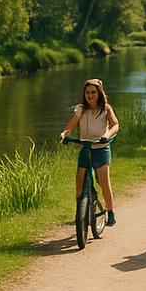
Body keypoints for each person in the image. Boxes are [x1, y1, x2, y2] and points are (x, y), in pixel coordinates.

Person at [58, 78, 120, 225]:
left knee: (104, 183)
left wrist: (107, 135)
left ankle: (110, 212)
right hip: (86, 148)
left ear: (99, 93)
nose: (90, 95)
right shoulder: (80, 109)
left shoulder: (106, 108)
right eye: (87, 92)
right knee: (79, 183)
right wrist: (64, 134)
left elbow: (115, 125)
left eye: (93, 92)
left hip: (101, 149)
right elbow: (70, 125)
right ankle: (79, 213)